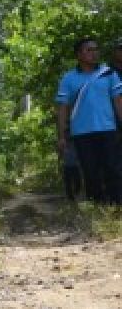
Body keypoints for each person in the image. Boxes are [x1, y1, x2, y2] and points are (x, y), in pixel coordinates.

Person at [55, 37, 122, 205]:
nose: (94, 53)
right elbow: (62, 108)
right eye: (89, 50)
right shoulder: (68, 78)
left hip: (108, 129)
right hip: (82, 133)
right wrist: (62, 136)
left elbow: (118, 102)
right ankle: (97, 206)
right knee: (90, 171)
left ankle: (116, 206)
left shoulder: (109, 74)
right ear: (79, 55)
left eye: (96, 49)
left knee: (113, 169)